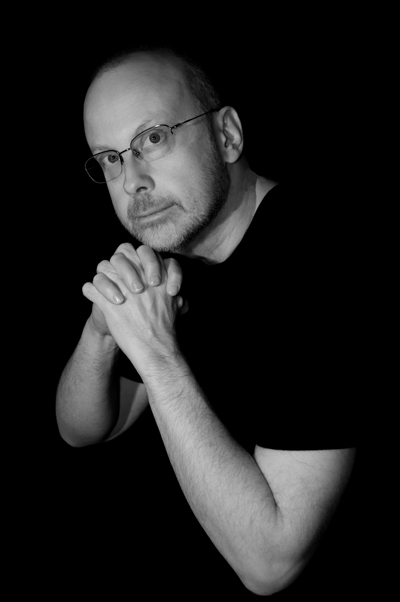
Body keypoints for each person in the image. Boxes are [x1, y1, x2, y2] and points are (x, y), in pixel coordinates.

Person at [56, 46, 360, 598]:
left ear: (227, 135)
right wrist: (101, 332)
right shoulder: (175, 257)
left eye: (153, 138)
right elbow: (84, 430)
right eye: (110, 158)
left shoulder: (321, 263)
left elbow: (271, 564)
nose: (132, 182)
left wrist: (156, 353)